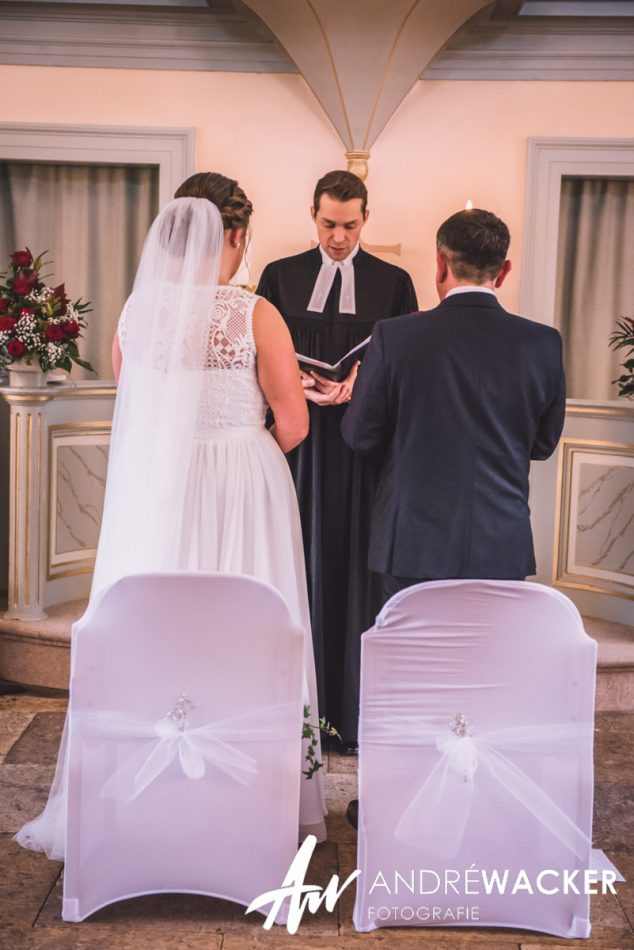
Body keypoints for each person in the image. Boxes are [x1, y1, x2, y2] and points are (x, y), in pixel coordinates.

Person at [15, 173, 327, 858]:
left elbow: (138, 413)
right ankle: (247, 806)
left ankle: (149, 795)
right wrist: (245, 450)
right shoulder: (255, 313)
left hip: (159, 490)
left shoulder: (134, 313)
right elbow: (296, 423)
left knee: (159, 631)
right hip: (245, 490)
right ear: (236, 236)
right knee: (250, 635)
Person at [341, 207, 566, 829]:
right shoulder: (542, 342)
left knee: (407, 679)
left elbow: (360, 436)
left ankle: (397, 803)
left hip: (410, 539)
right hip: (499, 540)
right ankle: (484, 801)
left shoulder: (396, 337)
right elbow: (543, 445)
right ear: (505, 269)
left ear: (439, 266)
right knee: (489, 676)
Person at [257, 170, 418, 753]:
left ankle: (347, 714)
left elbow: (403, 364)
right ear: (313, 215)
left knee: (353, 567)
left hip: (359, 450)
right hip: (297, 448)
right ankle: (294, 715)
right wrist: (291, 382)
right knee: (294, 562)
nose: (339, 237)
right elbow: (253, 353)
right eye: (329, 224)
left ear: (365, 220)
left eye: (350, 225)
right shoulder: (280, 275)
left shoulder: (394, 282)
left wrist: (361, 382)